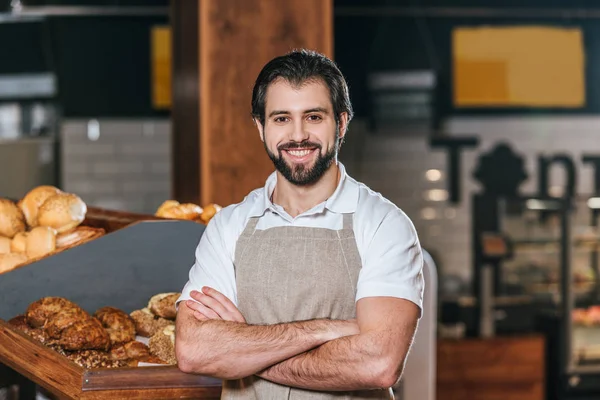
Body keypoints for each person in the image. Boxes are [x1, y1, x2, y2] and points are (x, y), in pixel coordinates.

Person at [175, 49, 424, 400]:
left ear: (341, 123)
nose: (298, 135)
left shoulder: (384, 224)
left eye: (313, 117)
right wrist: (326, 329)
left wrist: (245, 349)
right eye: (281, 119)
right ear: (260, 127)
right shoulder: (229, 225)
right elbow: (193, 350)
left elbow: (377, 364)